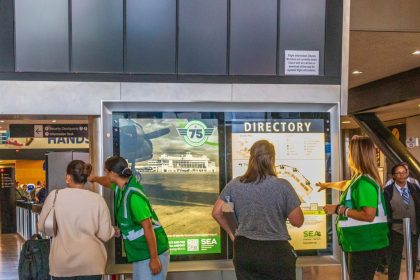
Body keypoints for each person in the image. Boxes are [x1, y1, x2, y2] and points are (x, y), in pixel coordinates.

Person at [212, 140, 304, 280]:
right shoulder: (282, 186)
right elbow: (297, 221)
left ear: (251, 159)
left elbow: (218, 212)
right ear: (272, 159)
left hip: (245, 250)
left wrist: (234, 234)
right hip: (276, 252)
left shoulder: (235, 185)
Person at [319, 136, 389, 280]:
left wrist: (338, 209)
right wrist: (328, 185)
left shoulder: (364, 183)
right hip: (362, 243)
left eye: (350, 153)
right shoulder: (361, 180)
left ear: (356, 156)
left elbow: (368, 215)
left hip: (365, 244)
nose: (348, 157)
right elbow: (347, 184)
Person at [89, 156, 170, 280]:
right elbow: (106, 182)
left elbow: (148, 227)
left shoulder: (134, 197)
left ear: (113, 174)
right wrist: (94, 179)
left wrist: (154, 258)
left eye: (106, 171)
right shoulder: (121, 186)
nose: (105, 174)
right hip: (141, 252)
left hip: (151, 253)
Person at [38, 160, 117, 279]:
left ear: (68, 177)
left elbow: (42, 227)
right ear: (85, 178)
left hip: (62, 263)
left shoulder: (55, 196)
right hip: (91, 263)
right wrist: (113, 230)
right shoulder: (97, 199)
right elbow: (105, 234)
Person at [384, 163, 420, 280]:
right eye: (398, 173)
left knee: (412, 258)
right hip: (395, 230)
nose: (401, 175)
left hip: (413, 229)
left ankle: (411, 277)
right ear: (393, 176)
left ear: (407, 173)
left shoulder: (414, 188)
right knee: (395, 259)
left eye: (404, 172)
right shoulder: (387, 191)